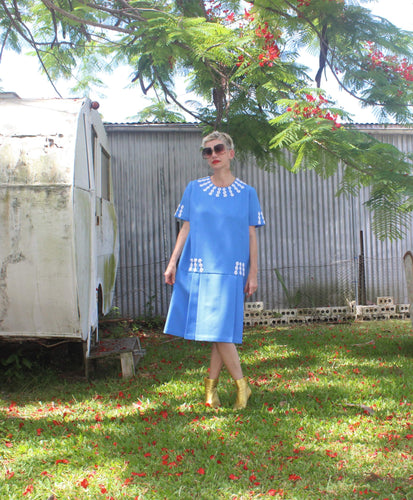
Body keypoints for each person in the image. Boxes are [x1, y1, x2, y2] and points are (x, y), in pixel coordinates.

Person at [163, 131, 265, 409]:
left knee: (220, 331)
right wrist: (173, 262)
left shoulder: (247, 193)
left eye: (218, 149)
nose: (213, 155)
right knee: (218, 331)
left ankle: (235, 387)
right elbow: (186, 227)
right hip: (199, 267)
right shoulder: (194, 189)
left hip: (232, 270)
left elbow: (252, 235)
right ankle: (219, 390)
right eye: (207, 151)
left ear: (231, 153)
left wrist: (253, 273)